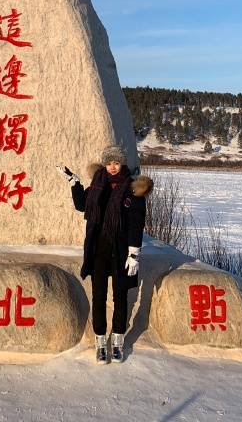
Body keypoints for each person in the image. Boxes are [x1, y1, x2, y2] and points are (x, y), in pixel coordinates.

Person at [57, 145, 153, 363]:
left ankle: (118, 339)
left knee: (120, 296)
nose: (112, 167)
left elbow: (136, 223)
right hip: (98, 248)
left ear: (122, 164)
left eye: (116, 163)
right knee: (98, 296)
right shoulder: (97, 184)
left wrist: (134, 252)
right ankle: (101, 341)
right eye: (109, 162)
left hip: (121, 251)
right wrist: (74, 182)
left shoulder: (133, 188)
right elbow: (82, 205)